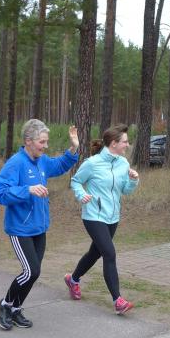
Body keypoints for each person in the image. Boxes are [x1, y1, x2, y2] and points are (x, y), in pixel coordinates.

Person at [0, 119, 80, 331]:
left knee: (34, 272)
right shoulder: (16, 163)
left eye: (46, 141)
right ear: (28, 141)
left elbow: (59, 165)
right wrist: (27, 190)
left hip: (39, 228)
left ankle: (16, 309)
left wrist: (73, 148)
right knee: (30, 271)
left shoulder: (42, 161)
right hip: (20, 229)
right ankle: (5, 305)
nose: (45, 146)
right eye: (42, 142)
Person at [66, 125, 139, 314]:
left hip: (112, 217)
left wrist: (133, 180)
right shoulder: (92, 163)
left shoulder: (123, 163)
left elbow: (125, 191)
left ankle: (73, 279)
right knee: (109, 253)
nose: (127, 145)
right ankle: (118, 301)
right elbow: (75, 181)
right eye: (125, 142)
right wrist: (81, 194)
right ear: (114, 143)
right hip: (93, 215)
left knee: (95, 253)